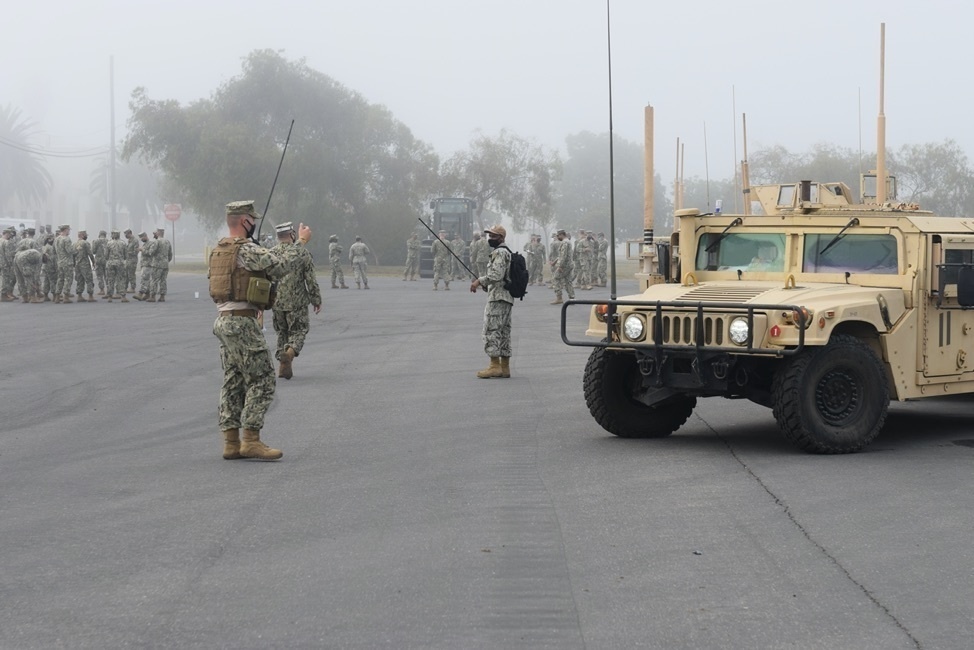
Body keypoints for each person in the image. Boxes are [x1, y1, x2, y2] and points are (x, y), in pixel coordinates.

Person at [209, 200, 312, 461]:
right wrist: (300, 243)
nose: (254, 223)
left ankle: (231, 443)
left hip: (223, 320)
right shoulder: (247, 250)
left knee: (233, 380)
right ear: (245, 221)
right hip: (242, 322)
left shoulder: (218, 250)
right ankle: (251, 440)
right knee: (263, 379)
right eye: (252, 219)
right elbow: (281, 265)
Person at [270, 222, 322, 380]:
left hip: (276, 303)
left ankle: (283, 366)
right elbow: (311, 280)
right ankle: (290, 353)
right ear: (292, 235)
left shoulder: (270, 253)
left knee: (281, 333)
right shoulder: (302, 253)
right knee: (298, 332)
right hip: (297, 303)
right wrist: (316, 299)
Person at [470, 225, 514, 378]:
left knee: (491, 331)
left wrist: (479, 281)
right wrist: (487, 286)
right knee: (504, 332)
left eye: (494, 236)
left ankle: (494, 365)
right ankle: (505, 367)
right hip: (505, 297)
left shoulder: (500, 252)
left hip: (498, 299)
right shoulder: (506, 252)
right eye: (490, 235)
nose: (491, 238)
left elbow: (496, 275)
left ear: (501, 237)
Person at [550, 229, 575, 305]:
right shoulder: (567, 242)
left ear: (562, 235)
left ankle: (559, 297)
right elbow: (561, 255)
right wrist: (554, 262)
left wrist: (560, 266)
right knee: (568, 281)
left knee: (555, 278)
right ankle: (572, 298)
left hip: (565, 265)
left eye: (558, 236)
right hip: (569, 264)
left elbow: (563, 256)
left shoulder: (564, 243)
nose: (557, 237)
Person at [104, 229, 128, 302]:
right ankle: (123, 296)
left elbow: (106, 255)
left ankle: (110, 297)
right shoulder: (123, 243)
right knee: (121, 279)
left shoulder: (108, 243)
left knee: (110, 280)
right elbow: (126, 255)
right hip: (120, 263)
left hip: (110, 263)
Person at [53, 224, 75, 303]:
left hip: (60, 262)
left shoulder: (56, 239)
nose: (69, 231)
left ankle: (57, 297)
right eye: (68, 230)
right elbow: (69, 251)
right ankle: (66, 297)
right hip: (67, 262)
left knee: (60, 279)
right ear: (65, 230)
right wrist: (76, 249)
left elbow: (54, 251)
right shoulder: (66, 239)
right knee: (68, 279)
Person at [73, 230, 96, 302]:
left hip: (77, 264)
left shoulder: (74, 244)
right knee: (89, 280)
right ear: (82, 235)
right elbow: (90, 253)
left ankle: (79, 296)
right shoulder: (85, 243)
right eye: (86, 235)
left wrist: (74, 264)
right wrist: (93, 262)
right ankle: (90, 296)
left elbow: (73, 255)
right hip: (85, 264)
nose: (86, 236)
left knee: (79, 280)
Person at [151, 227, 173, 301]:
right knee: (163, 280)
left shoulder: (156, 241)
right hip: (165, 264)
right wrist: (166, 260)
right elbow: (170, 254)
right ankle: (162, 296)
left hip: (157, 264)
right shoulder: (167, 241)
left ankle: (153, 296)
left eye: (156, 232)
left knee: (154, 280)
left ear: (158, 233)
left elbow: (152, 252)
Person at [133, 232, 154, 300]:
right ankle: (147, 294)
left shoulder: (151, 243)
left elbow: (151, 253)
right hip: (144, 264)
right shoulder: (145, 244)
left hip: (148, 264)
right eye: (140, 238)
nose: (141, 239)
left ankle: (140, 293)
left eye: (142, 237)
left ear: (145, 236)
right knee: (146, 279)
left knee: (144, 279)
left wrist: (142, 250)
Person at [0, 227, 17, 301]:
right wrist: (11, 264)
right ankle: (3, 295)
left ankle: (5, 294)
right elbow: (8, 255)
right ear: (7, 234)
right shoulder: (6, 242)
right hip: (5, 264)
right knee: (5, 279)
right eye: (9, 234)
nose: (10, 236)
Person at [92, 230, 108, 295]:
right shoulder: (109, 241)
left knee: (99, 276)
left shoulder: (96, 241)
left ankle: (102, 290)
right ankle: (109, 289)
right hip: (106, 260)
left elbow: (93, 251)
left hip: (98, 260)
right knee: (107, 275)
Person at [123, 229, 139, 294]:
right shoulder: (129, 241)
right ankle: (125, 287)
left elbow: (136, 251)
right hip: (128, 260)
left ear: (130, 233)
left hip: (133, 260)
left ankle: (133, 288)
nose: (125, 236)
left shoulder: (135, 240)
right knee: (126, 274)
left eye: (126, 234)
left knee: (131, 274)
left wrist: (127, 252)